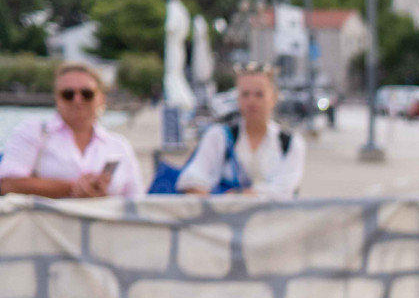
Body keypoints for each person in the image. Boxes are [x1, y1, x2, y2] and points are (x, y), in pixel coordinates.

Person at [0, 62, 145, 199]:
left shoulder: (119, 145)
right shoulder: (33, 132)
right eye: (68, 94)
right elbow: (7, 183)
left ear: (101, 98)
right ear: (57, 98)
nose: (77, 99)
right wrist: (73, 188)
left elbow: (137, 200)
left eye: (86, 94)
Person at [176, 64, 305, 198]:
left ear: (274, 98)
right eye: (245, 94)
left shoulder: (291, 143)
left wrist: (232, 196)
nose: (251, 101)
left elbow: (284, 190)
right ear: (237, 98)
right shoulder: (219, 136)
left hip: (267, 214)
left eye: (259, 94)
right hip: (222, 212)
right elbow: (191, 178)